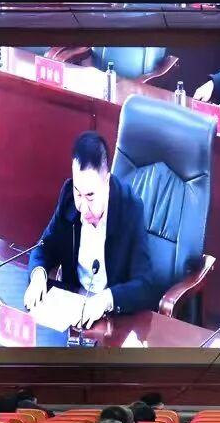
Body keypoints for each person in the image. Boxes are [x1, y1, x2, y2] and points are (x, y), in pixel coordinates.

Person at [24, 131, 159, 325]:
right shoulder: (69, 197)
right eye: (78, 193)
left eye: (90, 196)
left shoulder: (129, 207)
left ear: (107, 181)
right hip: (72, 310)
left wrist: (105, 300)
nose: (82, 207)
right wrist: (38, 275)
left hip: (112, 319)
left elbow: (144, 285)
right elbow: (44, 247)